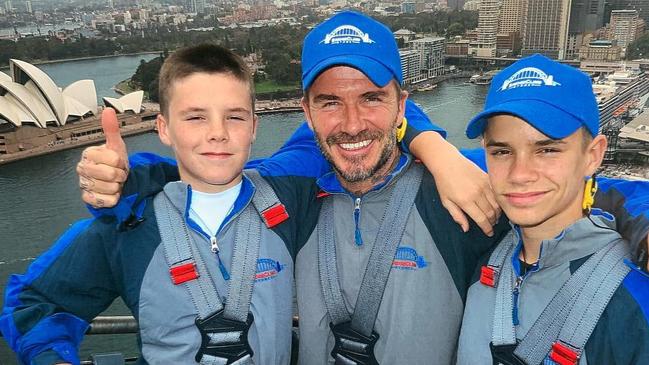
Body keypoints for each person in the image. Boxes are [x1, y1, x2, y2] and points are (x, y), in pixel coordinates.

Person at [71, 11, 649, 365]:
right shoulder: (291, 194)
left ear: (402, 102)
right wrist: (133, 179)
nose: (350, 122)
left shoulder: (466, 185)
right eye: (330, 102)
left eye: (372, 97)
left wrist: (644, 228)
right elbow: (212, 176)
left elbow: (577, 188)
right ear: (307, 111)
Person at [0, 44, 301, 365]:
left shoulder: (290, 204)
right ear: (164, 128)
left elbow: (331, 131)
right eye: (196, 117)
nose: (218, 133)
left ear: (254, 127)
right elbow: (32, 303)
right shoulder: (127, 225)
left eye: (234, 117)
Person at [456, 55, 649, 364]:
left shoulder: (633, 302)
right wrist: (429, 145)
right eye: (502, 151)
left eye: (547, 150)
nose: (520, 173)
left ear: (593, 155)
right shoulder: (480, 255)